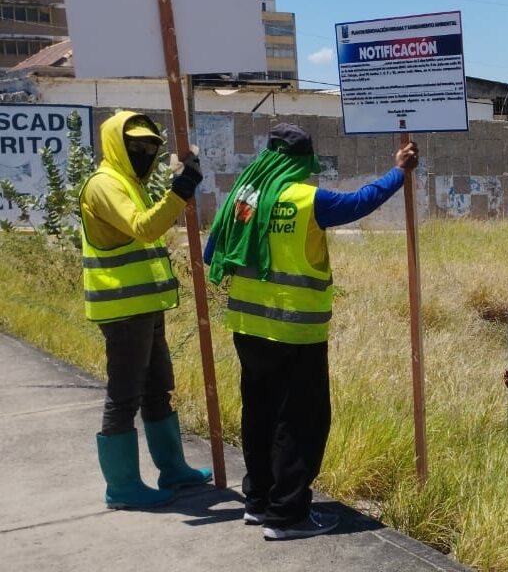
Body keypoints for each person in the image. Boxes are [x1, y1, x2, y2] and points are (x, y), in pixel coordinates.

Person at [204, 123, 419, 541]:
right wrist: (399, 172)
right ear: (304, 161)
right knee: (298, 423)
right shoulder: (306, 200)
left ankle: (258, 502)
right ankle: (288, 516)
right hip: (296, 332)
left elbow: (214, 252)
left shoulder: (242, 199)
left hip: (248, 328)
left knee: (259, 415)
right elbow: (360, 202)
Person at [80, 111, 210, 509]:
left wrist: (178, 184)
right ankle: (121, 488)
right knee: (124, 397)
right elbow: (145, 227)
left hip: (146, 306)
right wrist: (182, 188)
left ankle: (173, 470)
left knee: (158, 390)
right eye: (134, 145)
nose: (143, 152)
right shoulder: (104, 185)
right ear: (116, 144)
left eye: (149, 147)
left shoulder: (129, 183)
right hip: (123, 311)